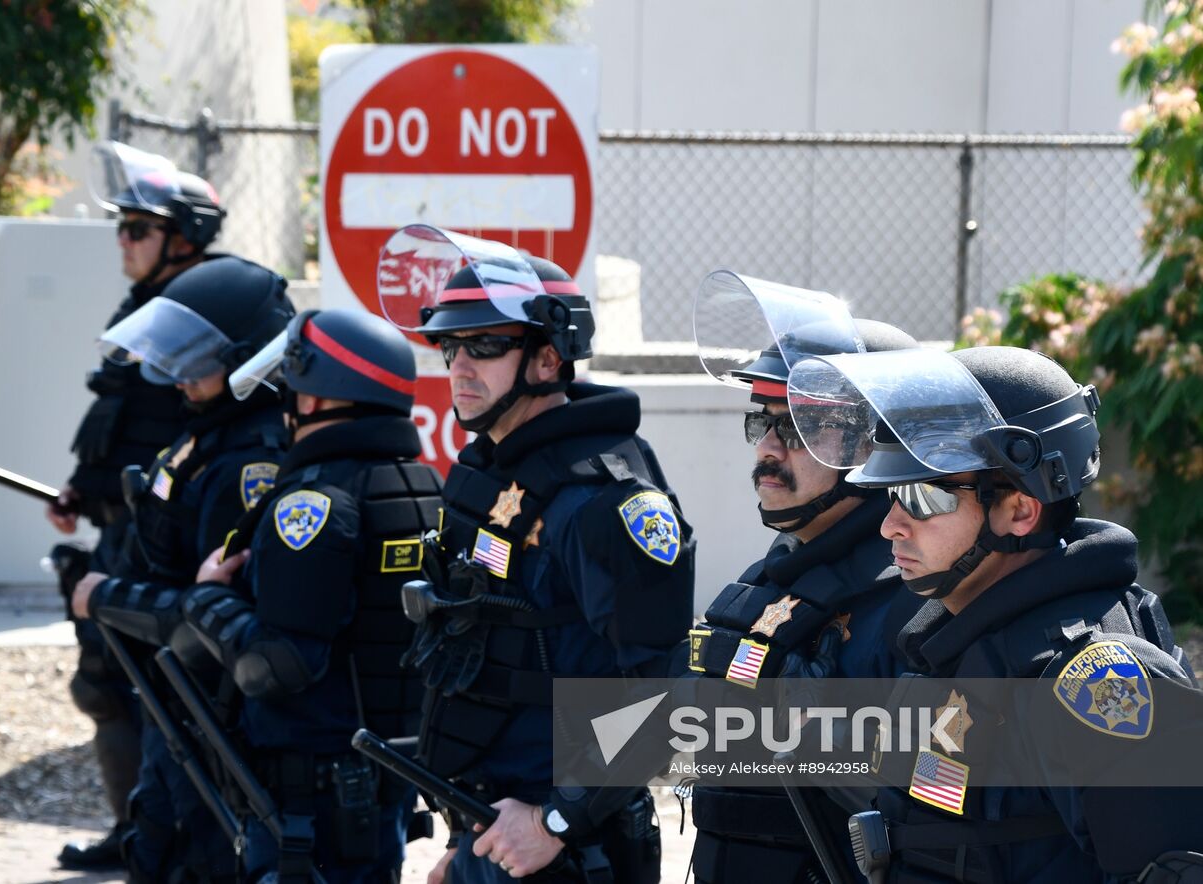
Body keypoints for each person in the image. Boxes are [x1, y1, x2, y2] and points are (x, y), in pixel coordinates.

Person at [784, 344, 1203, 882]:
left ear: (1020, 511)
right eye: (891, 495)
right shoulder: (959, 648)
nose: (891, 526)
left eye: (923, 497)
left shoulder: (1097, 678)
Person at [378, 225, 694, 883]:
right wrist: (467, 846)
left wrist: (556, 820)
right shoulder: (499, 465)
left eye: (486, 344)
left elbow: (665, 692)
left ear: (550, 360)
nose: (460, 364)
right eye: (450, 345)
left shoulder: (603, 501)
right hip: (493, 829)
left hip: (567, 847)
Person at [178, 307, 445, 882]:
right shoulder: (424, 488)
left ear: (320, 398)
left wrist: (205, 600)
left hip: (311, 798)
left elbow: (279, 665)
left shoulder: (314, 502)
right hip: (386, 777)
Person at [685, 272, 923, 883]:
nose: (767, 447)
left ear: (878, 444)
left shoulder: (912, 602)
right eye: (760, 423)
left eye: (796, 427)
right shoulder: (770, 577)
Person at [70, 255, 296, 883]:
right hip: (178, 701)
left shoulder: (255, 457)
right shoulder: (204, 434)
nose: (179, 380)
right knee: (160, 852)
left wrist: (108, 597)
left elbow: (213, 610)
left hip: (215, 710)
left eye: (196, 364)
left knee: (200, 859)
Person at [50, 142, 227, 870]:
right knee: (104, 681)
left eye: (137, 228)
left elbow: (200, 438)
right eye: (120, 227)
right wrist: (81, 489)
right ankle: (134, 835)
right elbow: (124, 422)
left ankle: (169, 841)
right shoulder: (147, 307)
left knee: (164, 690)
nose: (122, 241)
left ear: (181, 235)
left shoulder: (209, 312)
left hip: (168, 541)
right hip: (121, 528)